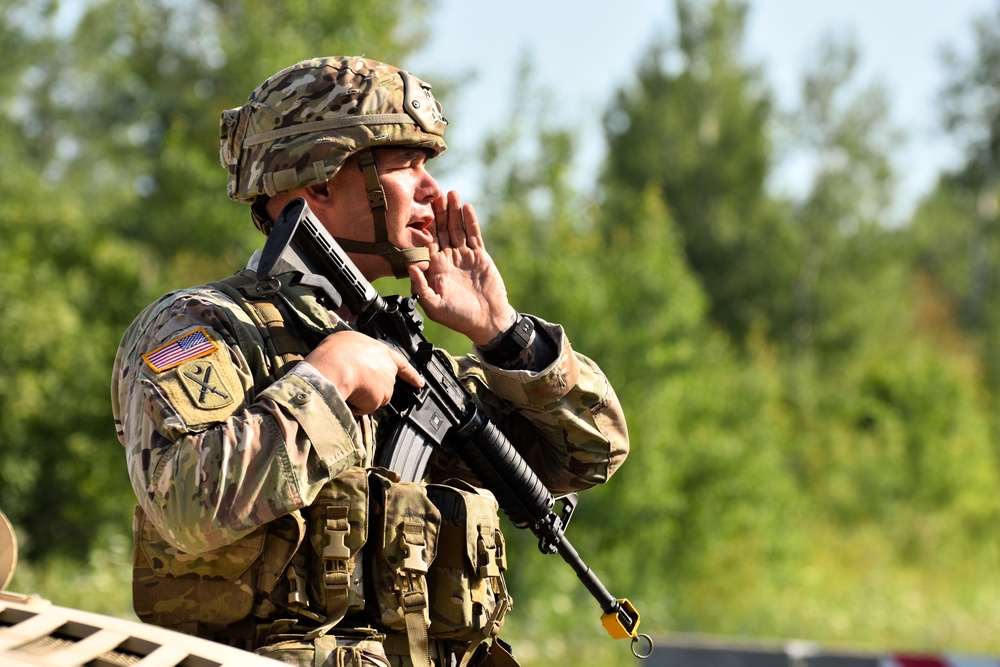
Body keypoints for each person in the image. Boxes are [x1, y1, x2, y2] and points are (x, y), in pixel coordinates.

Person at [111, 56, 630, 667]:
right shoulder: (202, 328)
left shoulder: (410, 356)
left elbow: (593, 453)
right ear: (323, 181)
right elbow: (183, 506)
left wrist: (502, 333)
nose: (432, 190)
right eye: (406, 164)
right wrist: (326, 382)